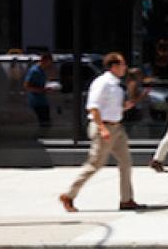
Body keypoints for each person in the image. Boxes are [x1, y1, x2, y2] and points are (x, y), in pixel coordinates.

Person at [59, 52, 141, 212]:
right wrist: (102, 128)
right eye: (123, 64)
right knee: (95, 164)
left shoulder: (116, 84)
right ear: (114, 66)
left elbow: (110, 107)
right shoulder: (102, 83)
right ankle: (69, 195)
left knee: (126, 162)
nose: (125, 67)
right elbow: (93, 107)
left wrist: (125, 107)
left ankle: (127, 199)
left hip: (117, 128)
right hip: (104, 128)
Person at [23, 50, 55, 130]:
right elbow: (26, 86)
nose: (49, 65)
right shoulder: (34, 71)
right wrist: (42, 90)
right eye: (49, 62)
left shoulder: (42, 71)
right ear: (44, 61)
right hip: (36, 102)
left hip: (43, 101)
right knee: (43, 123)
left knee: (46, 122)